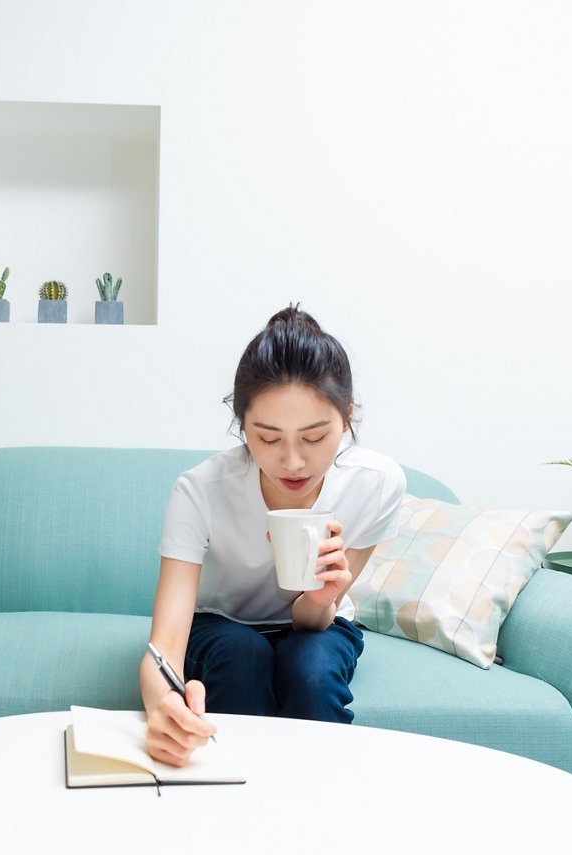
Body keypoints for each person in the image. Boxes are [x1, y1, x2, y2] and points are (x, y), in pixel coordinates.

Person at [140, 305, 406, 767]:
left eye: (315, 437)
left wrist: (322, 598)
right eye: (267, 439)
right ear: (242, 424)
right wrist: (162, 706)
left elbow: (309, 623)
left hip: (320, 621)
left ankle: (321, 811)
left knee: (312, 671)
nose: (293, 462)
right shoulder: (200, 490)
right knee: (241, 655)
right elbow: (164, 645)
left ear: (347, 414)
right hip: (222, 622)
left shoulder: (375, 484)